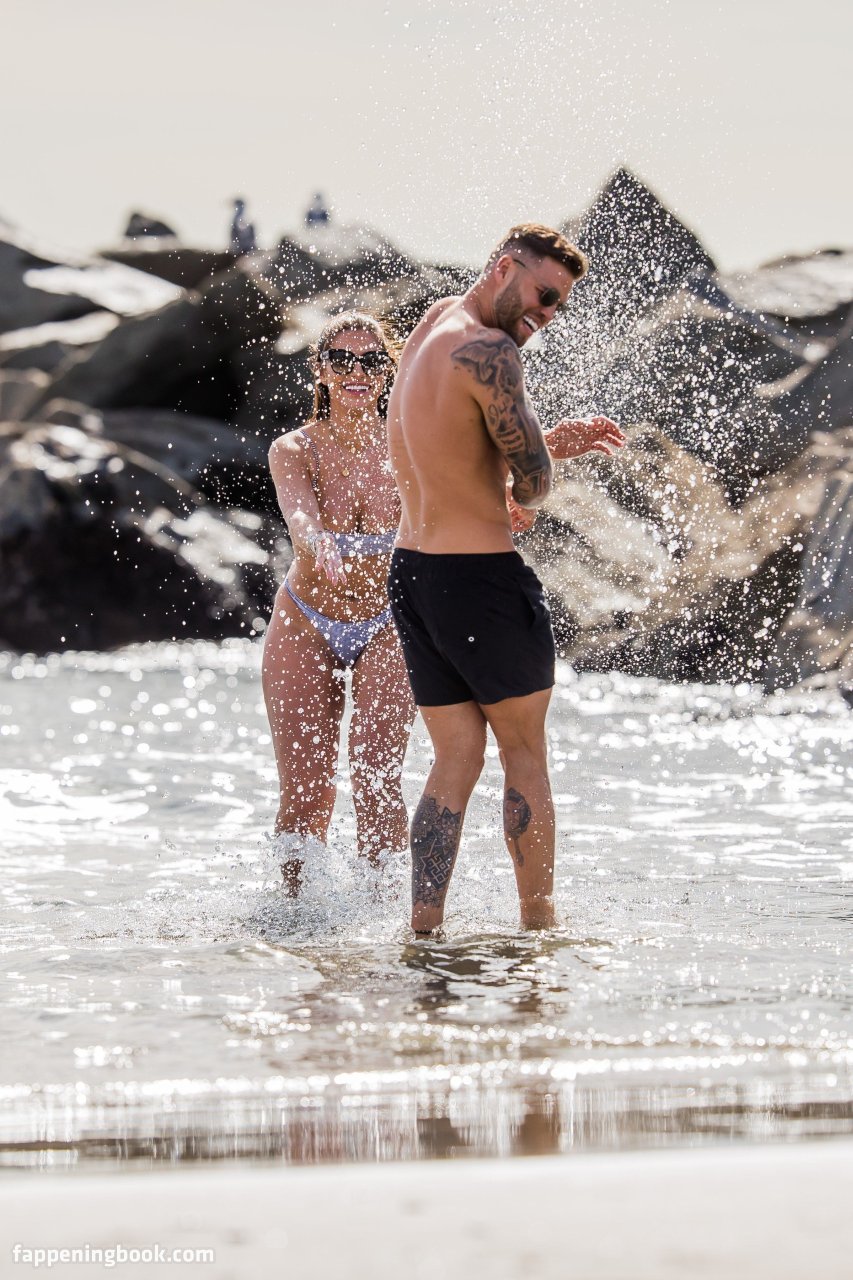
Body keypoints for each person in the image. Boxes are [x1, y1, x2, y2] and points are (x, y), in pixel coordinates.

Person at [387, 223, 626, 934]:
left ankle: (424, 931)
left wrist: (527, 461)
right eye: (543, 294)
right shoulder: (491, 351)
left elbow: (446, 446)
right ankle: (538, 934)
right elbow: (534, 480)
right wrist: (535, 476)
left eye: (559, 306)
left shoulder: (436, 323)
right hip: (479, 580)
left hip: (414, 573)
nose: (546, 314)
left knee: (455, 757)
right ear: (504, 268)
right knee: (524, 755)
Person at [263, 312, 414, 893]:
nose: (358, 371)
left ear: (388, 371)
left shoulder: (408, 445)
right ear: (321, 370)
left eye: (372, 361)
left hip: (388, 621)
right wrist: (315, 540)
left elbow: (468, 490)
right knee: (306, 789)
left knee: (376, 776)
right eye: (342, 360)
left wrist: (530, 475)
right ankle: (297, 914)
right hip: (306, 617)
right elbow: (298, 511)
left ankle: (384, 911)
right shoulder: (294, 448)